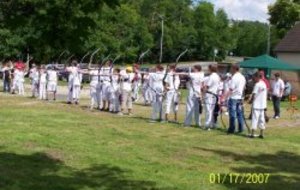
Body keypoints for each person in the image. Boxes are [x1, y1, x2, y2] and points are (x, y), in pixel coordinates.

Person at [226, 64, 246, 134]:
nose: (230, 70)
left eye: (231, 68)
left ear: (234, 69)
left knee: (232, 114)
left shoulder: (234, 77)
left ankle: (232, 129)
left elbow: (231, 89)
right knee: (239, 113)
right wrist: (242, 97)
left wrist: (224, 97)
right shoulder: (242, 77)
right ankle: (241, 128)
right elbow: (243, 88)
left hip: (234, 97)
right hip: (239, 97)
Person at [248, 72, 267, 139]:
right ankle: (261, 134)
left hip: (256, 105)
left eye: (254, 77)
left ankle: (252, 134)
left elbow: (254, 94)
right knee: (262, 119)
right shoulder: (264, 84)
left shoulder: (257, 85)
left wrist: (250, 101)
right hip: (262, 105)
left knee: (255, 119)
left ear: (257, 77)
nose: (254, 79)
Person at [203, 65, 221, 130]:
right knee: (211, 110)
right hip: (214, 94)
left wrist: (203, 93)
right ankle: (211, 124)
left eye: (208, 68)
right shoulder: (217, 76)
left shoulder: (212, 76)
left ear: (210, 69)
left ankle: (207, 125)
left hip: (209, 94)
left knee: (208, 110)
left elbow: (207, 86)